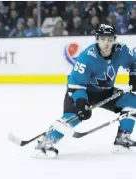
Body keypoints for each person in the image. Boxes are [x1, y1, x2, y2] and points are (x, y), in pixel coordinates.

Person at [34, 24, 136, 158]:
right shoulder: (86, 57)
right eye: (103, 39)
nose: (106, 43)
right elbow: (75, 84)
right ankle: (46, 141)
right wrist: (81, 101)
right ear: (97, 39)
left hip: (105, 91)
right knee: (75, 116)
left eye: (110, 39)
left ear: (114, 40)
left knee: (132, 101)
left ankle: (122, 139)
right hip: (82, 91)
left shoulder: (121, 50)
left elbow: (134, 62)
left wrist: (134, 75)